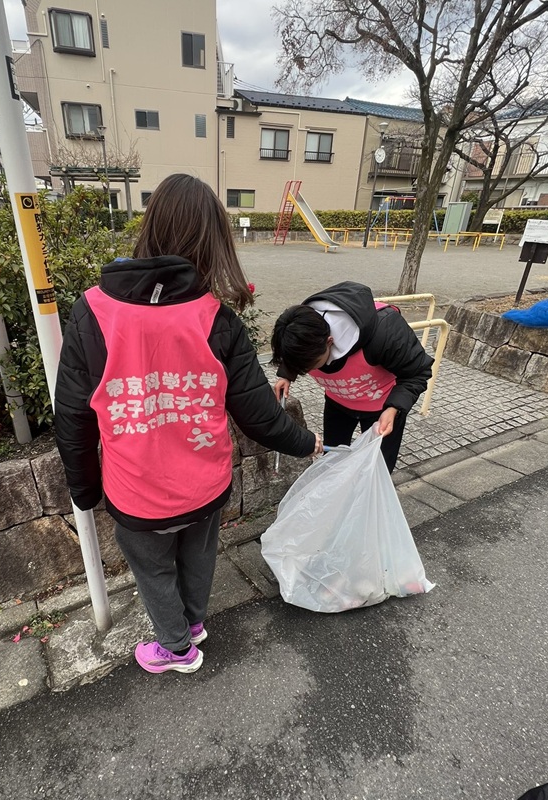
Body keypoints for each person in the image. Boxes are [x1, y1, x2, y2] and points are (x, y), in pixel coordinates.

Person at [54, 174, 322, 676]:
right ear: (212, 240)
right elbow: (259, 413)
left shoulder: (93, 311)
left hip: (136, 490)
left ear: (150, 226)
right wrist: (308, 442)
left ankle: (176, 649)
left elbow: (72, 413)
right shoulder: (215, 317)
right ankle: (193, 625)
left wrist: (85, 489)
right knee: (199, 556)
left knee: (154, 570)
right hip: (205, 482)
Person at [271, 282, 434, 473]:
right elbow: (294, 353)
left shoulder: (385, 331)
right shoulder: (302, 325)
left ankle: (369, 502)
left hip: (382, 407)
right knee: (333, 461)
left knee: (376, 467)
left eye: (311, 366)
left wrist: (394, 408)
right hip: (338, 401)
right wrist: (286, 375)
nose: (307, 372)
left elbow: (417, 372)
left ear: (329, 342)